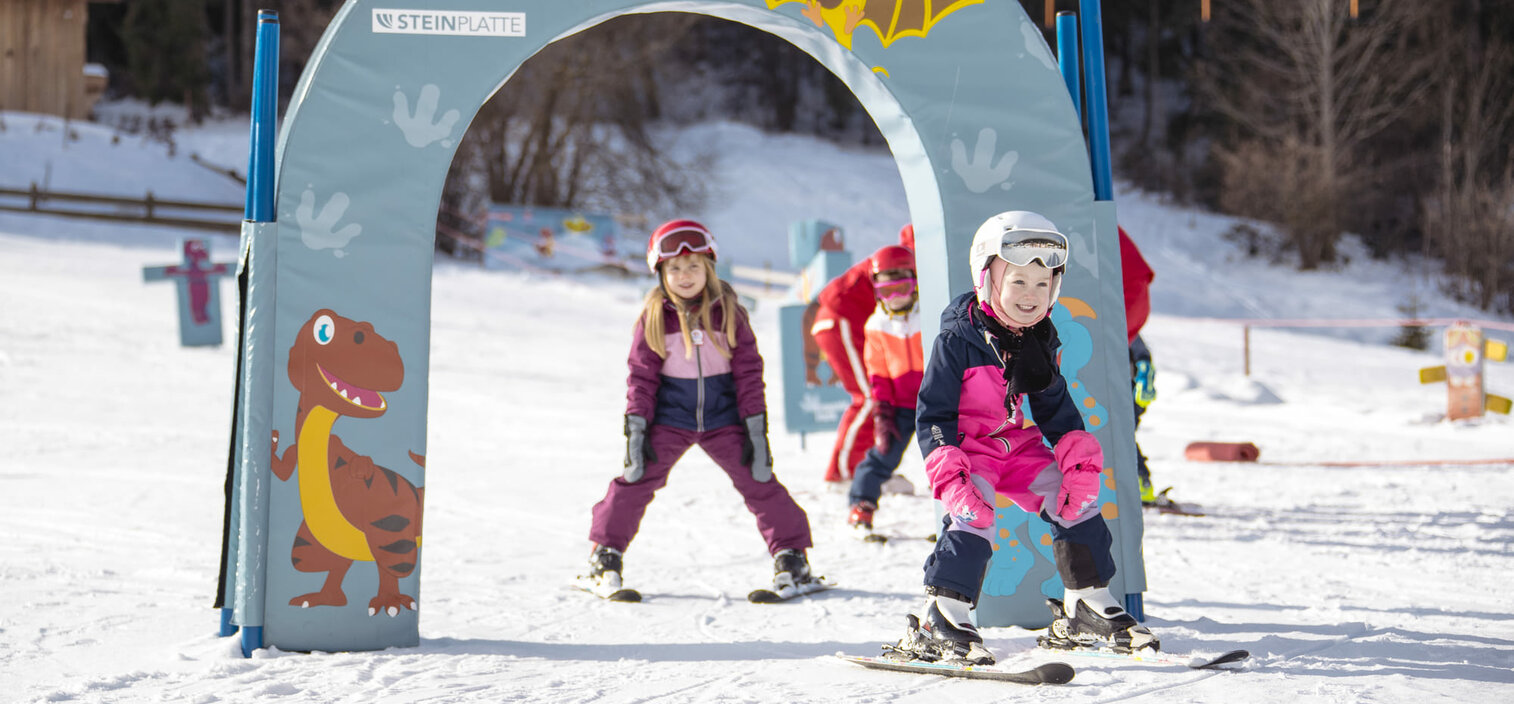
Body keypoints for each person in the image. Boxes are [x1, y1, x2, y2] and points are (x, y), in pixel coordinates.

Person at [896, 211, 1157, 665]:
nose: (1030, 296)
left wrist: (1077, 459)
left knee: (1072, 501)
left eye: (1043, 284)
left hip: (1016, 448)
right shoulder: (958, 338)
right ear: (987, 277)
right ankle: (943, 612)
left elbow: (1055, 405)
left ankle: (1087, 601)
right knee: (974, 516)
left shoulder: (1038, 338)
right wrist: (948, 469)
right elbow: (932, 411)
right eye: (1018, 281)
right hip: (969, 451)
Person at [585, 219, 818, 596]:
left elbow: (748, 373)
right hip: (668, 419)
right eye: (674, 268)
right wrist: (637, 430)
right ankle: (605, 554)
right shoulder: (654, 317)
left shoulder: (728, 312)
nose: (684, 275)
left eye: (693, 265)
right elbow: (641, 377)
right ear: (660, 271)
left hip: (724, 419)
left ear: (709, 267)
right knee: (635, 479)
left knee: (759, 480)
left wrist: (755, 430)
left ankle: (792, 557)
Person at [811, 223, 915, 485]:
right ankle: (846, 473)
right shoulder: (911, 254)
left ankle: (864, 466)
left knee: (878, 396)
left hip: (851, 320)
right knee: (870, 396)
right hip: (842, 319)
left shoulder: (913, 253)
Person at [846, 244, 925, 535]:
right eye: (888, 290)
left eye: (902, 287)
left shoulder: (927, 316)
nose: (896, 297)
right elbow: (877, 372)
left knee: (947, 456)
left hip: (934, 401)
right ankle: (861, 505)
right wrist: (882, 412)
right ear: (877, 291)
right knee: (882, 455)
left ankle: (960, 513)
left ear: (915, 282)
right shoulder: (876, 325)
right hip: (901, 406)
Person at [1117, 226, 1158, 504]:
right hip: (1132, 378)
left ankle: (1139, 485)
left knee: (1120, 432)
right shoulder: (1123, 309)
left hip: (1129, 381)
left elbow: (1137, 348)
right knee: (1121, 432)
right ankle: (1140, 484)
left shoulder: (1121, 311)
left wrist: (1144, 370)